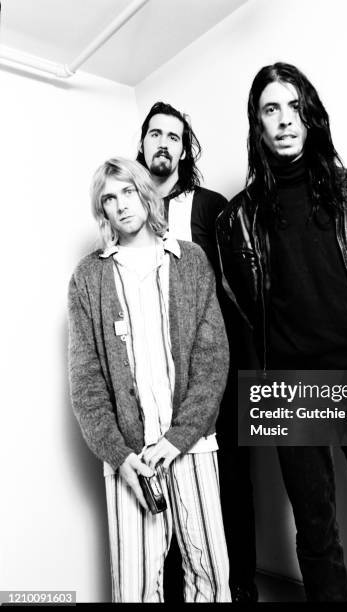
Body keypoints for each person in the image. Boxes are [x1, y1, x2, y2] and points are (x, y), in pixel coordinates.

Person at [216, 62, 347, 602]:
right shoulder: (236, 221)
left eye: (293, 107)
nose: (284, 121)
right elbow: (243, 305)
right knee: (317, 537)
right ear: (258, 126)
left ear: (311, 115)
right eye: (270, 110)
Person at [68, 157, 231, 603]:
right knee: (136, 588)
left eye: (127, 191)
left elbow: (212, 360)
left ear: (145, 192)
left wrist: (179, 438)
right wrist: (120, 457)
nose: (121, 205)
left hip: (192, 446)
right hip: (129, 459)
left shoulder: (190, 259)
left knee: (212, 577)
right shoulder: (89, 277)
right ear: (102, 211)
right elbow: (86, 382)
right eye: (108, 198)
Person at [137, 102, 258, 602]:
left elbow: (244, 289)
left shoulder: (209, 207)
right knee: (164, 485)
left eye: (175, 137)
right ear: (142, 144)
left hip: (218, 375)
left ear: (184, 151)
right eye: (155, 134)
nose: (164, 143)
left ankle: (241, 588)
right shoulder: (129, 209)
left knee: (229, 480)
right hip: (156, 377)